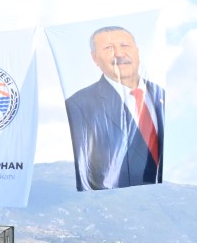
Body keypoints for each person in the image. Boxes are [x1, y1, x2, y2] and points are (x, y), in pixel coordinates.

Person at [64, 25, 165, 191]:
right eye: (108, 48)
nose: (119, 54)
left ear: (137, 51)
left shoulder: (163, 96)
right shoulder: (78, 105)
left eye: (125, 46)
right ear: (94, 58)